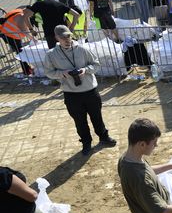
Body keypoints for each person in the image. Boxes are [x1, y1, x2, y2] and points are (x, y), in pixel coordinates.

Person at [43, 25, 117, 154]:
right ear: (56, 38)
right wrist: (62, 73)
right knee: (79, 120)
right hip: (71, 94)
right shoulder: (51, 54)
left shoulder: (82, 49)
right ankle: (86, 143)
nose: (67, 40)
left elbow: (96, 64)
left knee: (97, 116)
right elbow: (49, 72)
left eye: (68, 36)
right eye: (63, 37)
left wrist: (86, 70)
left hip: (90, 90)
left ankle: (104, 137)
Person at [0, 8, 37, 75]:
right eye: (31, 14)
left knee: (20, 52)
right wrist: (32, 38)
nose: (31, 16)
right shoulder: (21, 16)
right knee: (21, 53)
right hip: (10, 36)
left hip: (7, 34)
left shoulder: (18, 11)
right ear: (27, 11)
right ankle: (26, 71)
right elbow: (23, 30)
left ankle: (27, 68)